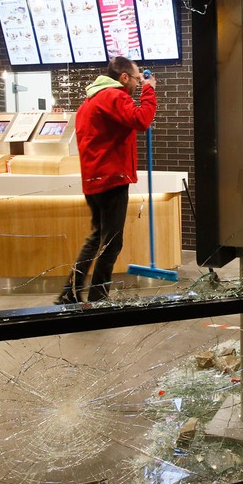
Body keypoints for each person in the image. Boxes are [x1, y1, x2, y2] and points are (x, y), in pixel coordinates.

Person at [55, 56, 157, 304]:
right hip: (111, 179)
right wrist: (149, 89)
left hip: (93, 180)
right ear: (123, 77)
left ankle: (70, 292)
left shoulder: (90, 100)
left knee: (97, 237)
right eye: (134, 78)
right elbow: (141, 119)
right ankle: (98, 297)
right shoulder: (114, 96)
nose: (136, 83)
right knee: (112, 242)